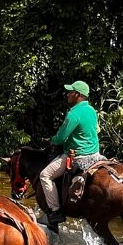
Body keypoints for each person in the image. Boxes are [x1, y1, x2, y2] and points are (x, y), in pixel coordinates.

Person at [39, 79, 104, 233]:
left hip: (78, 156)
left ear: (77, 94)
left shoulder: (73, 113)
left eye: (70, 92)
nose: (67, 95)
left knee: (45, 175)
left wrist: (53, 140)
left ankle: (55, 212)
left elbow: (61, 138)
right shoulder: (91, 111)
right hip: (95, 155)